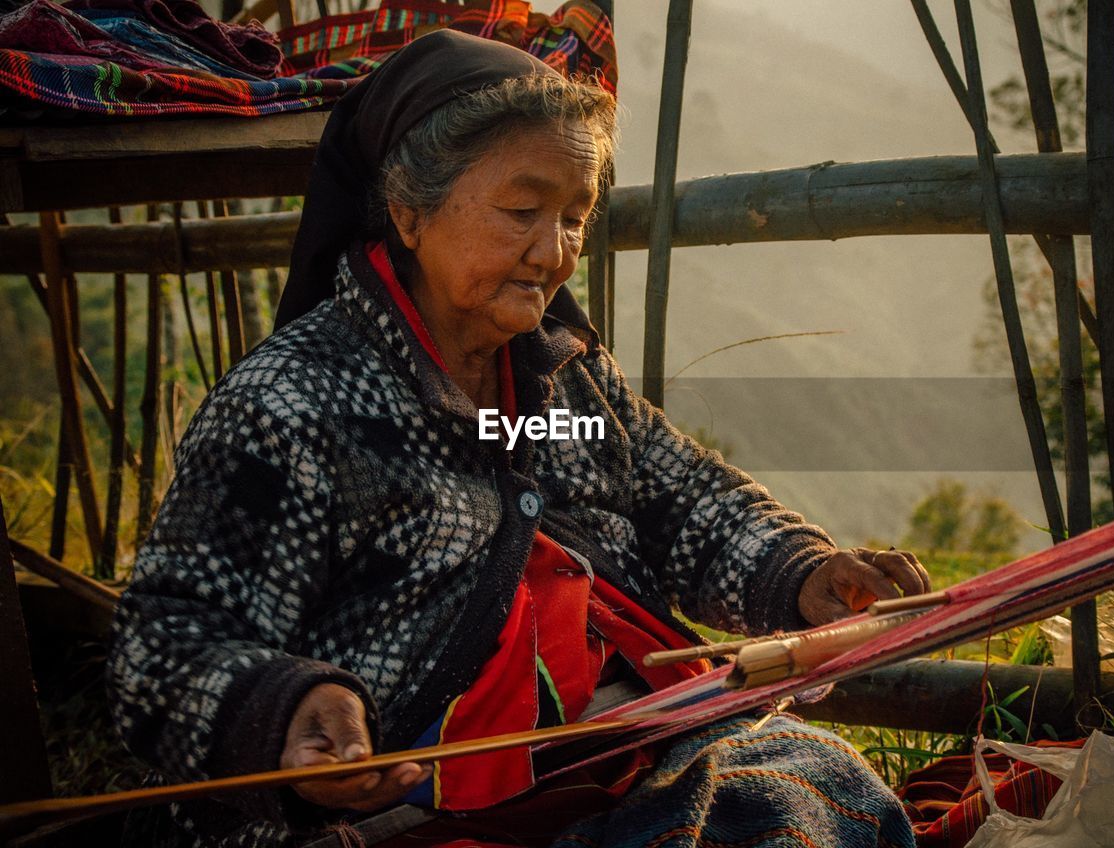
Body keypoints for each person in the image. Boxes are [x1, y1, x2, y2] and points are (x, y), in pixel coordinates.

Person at [108, 29, 930, 848]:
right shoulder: (291, 406)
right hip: (414, 810)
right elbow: (165, 647)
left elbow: (682, 498)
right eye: (522, 211)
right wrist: (285, 709)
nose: (556, 251)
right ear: (409, 210)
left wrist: (805, 572)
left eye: (575, 217)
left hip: (628, 746)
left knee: (807, 788)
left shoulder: (560, 381)